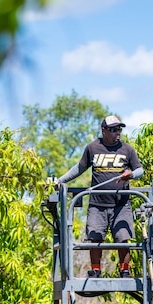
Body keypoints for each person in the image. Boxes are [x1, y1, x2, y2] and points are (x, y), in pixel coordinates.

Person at [56, 116, 144, 278]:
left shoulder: (127, 149)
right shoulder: (92, 148)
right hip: (97, 204)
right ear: (104, 130)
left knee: (122, 238)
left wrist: (130, 175)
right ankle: (96, 270)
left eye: (119, 129)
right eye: (113, 130)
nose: (117, 133)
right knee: (94, 237)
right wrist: (59, 181)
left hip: (121, 204)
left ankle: (124, 270)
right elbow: (80, 168)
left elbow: (140, 170)